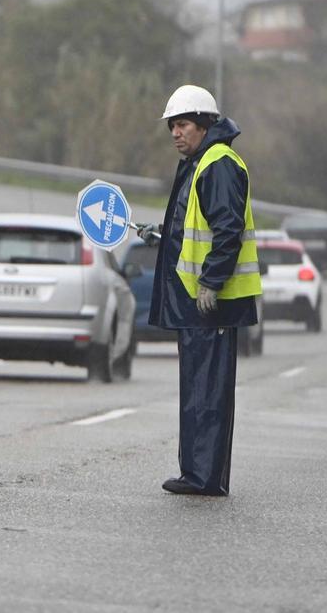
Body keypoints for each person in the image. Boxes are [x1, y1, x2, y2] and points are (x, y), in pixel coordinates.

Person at [135, 85, 260, 497]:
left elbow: (228, 230)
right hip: (196, 305)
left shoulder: (218, 163)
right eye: (172, 125)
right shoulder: (199, 161)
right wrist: (164, 235)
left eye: (183, 124)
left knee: (207, 392)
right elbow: (197, 227)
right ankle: (196, 473)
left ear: (206, 124)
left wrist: (211, 280)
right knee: (197, 391)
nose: (175, 132)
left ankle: (204, 478)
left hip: (212, 305)